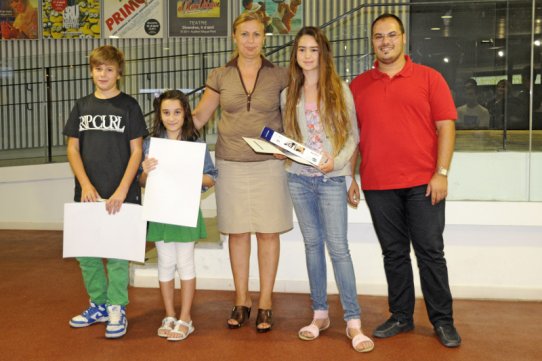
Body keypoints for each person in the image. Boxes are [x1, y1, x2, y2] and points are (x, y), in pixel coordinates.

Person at [349, 13, 461, 348]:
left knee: (430, 252)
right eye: (378, 36)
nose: (385, 41)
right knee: (393, 253)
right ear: (372, 41)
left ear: (402, 38)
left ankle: (442, 320)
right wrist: (350, 177)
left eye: (391, 35)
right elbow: (354, 138)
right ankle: (401, 316)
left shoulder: (429, 78)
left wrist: (441, 173)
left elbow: (446, 127)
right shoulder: (358, 86)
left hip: (423, 184)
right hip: (378, 184)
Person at [192, 12, 292, 333]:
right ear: (234, 37)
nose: (250, 41)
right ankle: (241, 299)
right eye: (244, 34)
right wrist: (165, 134)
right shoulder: (220, 75)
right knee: (237, 233)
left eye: (256, 34)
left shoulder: (280, 75)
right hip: (231, 165)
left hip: (269, 166)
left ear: (265, 38)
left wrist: (290, 149)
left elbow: (293, 120)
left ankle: (265, 302)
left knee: (268, 233)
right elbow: (199, 117)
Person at [281, 26, 374, 353]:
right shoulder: (288, 93)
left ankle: (353, 320)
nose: (306, 56)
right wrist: (284, 150)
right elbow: (290, 138)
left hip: (331, 180)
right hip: (299, 179)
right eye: (301, 50)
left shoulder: (339, 90)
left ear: (323, 53)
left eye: (313, 50)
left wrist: (337, 165)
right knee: (311, 246)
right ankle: (319, 313)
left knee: (338, 249)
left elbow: (353, 137)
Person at [63, 45, 148, 338]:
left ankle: (116, 308)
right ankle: (98, 304)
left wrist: (124, 189)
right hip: (87, 194)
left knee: (117, 254)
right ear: (91, 71)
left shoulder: (129, 106)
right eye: (98, 68)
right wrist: (85, 184)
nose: (103, 74)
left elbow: (137, 151)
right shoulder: (82, 106)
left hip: (121, 194)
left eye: (109, 69)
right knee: (86, 253)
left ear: (119, 73)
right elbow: (72, 148)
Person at [139, 90, 217, 342]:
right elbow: (142, 182)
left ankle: (186, 318)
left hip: (184, 211)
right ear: (159, 115)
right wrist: (145, 171)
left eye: (177, 112)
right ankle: (169, 316)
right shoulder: (150, 145)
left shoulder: (195, 146)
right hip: (161, 211)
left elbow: (211, 177)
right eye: (166, 112)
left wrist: (191, 175)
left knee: (185, 264)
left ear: (185, 113)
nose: (171, 118)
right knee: (164, 263)